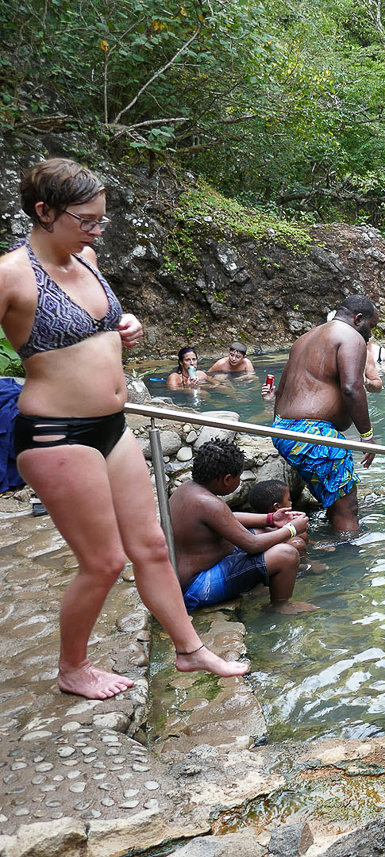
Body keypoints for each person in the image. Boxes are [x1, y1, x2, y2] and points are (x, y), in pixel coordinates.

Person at [0, 157, 245, 697]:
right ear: (43, 212)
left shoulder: (84, 258)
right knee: (105, 561)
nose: (95, 231)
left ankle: (190, 650)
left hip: (112, 426)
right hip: (56, 433)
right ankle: (73, 669)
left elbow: (102, 323)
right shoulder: (11, 274)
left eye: (101, 220)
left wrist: (125, 324)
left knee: (152, 545)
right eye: (85, 220)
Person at [272, 295, 378, 534]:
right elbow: (352, 388)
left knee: (334, 499)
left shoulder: (305, 338)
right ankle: (349, 564)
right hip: (313, 434)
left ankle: (328, 546)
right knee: (348, 508)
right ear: (358, 319)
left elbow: (280, 390)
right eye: (371, 327)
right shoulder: (350, 337)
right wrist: (367, 436)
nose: (370, 335)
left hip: (282, 429)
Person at [170, 440, 314, 614]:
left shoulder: (188, 489)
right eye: (239, 477)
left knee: (267, 532)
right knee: (287, 554)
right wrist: (291, 529)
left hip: (186, 577)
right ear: (227, 479)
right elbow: (252, 545)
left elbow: (228, 518)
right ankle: (279, 606)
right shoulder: (208, 503)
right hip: (197, 586)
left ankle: (261, 584)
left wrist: (271, 519)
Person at [246, 478, 310, 557]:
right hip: (285, 558)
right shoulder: (262, 530)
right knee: (298, 543)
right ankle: (307, 565)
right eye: (289, 500)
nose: (291, 502)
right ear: (277, 506)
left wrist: (317, 544)